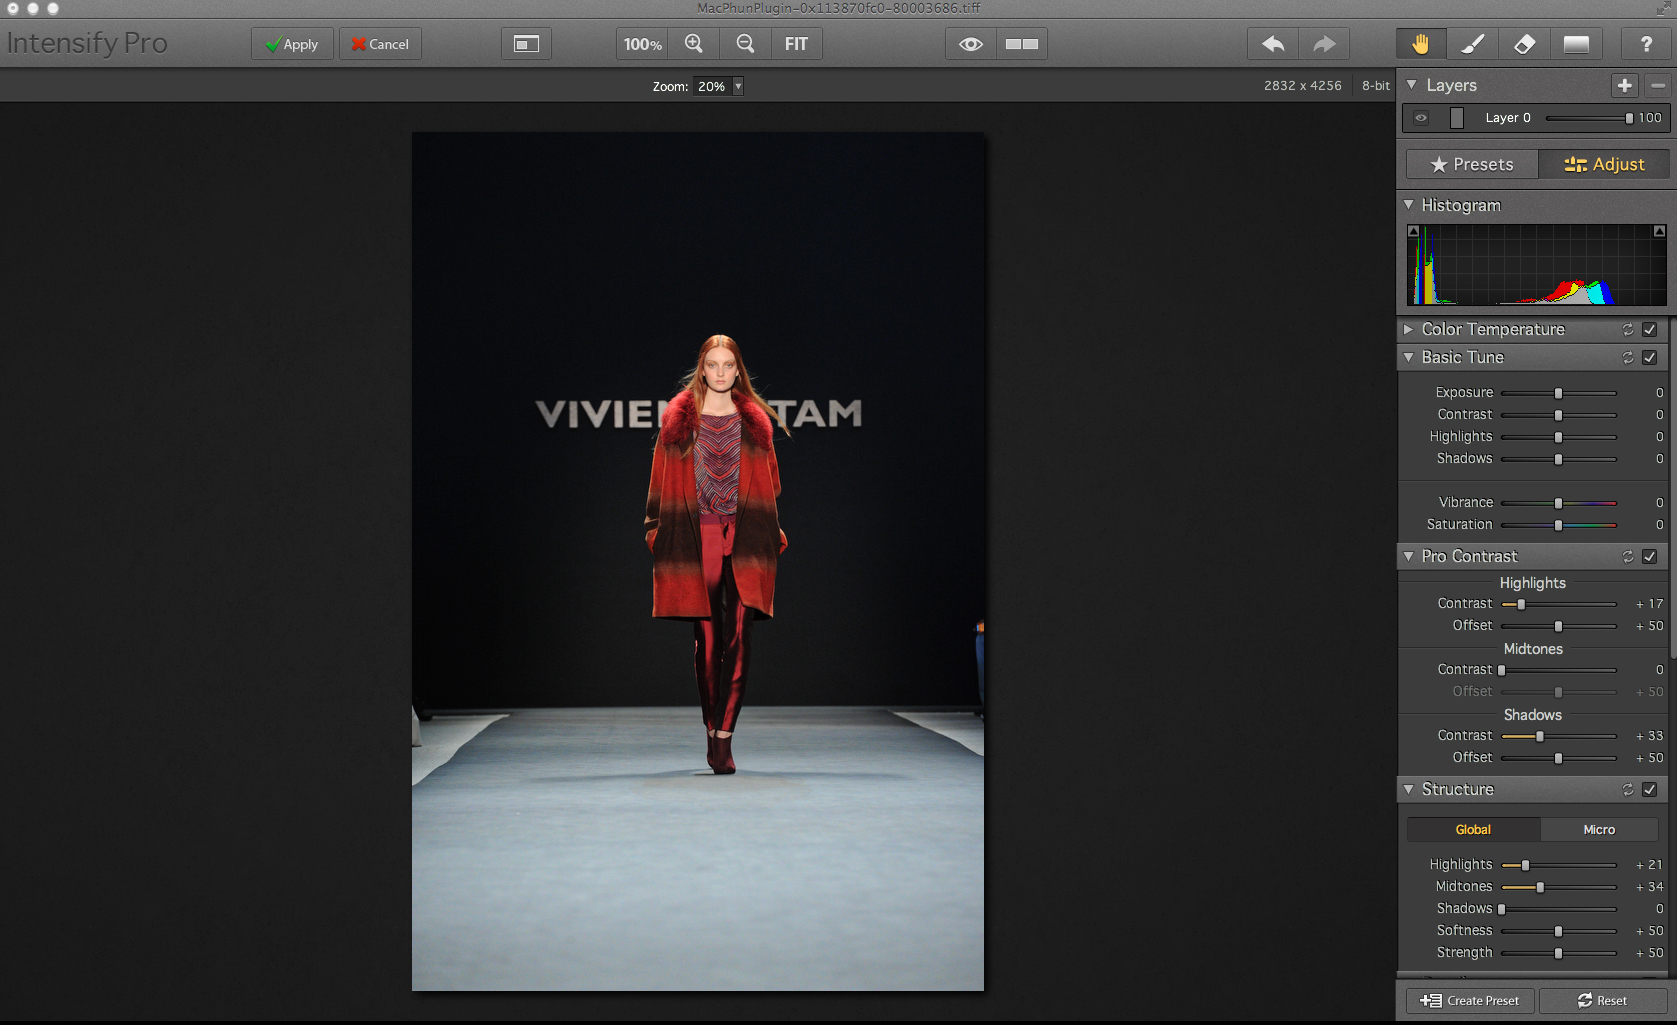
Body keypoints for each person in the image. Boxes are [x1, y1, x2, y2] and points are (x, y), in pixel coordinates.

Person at [644, 335, 789, 774]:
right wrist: (656, 533)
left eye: (729, 365)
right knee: (707, 643)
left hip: (746, 537)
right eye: (713, 364)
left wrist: (770, 532)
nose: (721, 372)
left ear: (738, 370)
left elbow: (772, 484)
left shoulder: (755, 424)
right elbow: (659, 484)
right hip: (697, 537)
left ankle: (724, 736)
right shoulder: (677, 422)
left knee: (740, 636)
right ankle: (711, 727)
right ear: (702, 369)